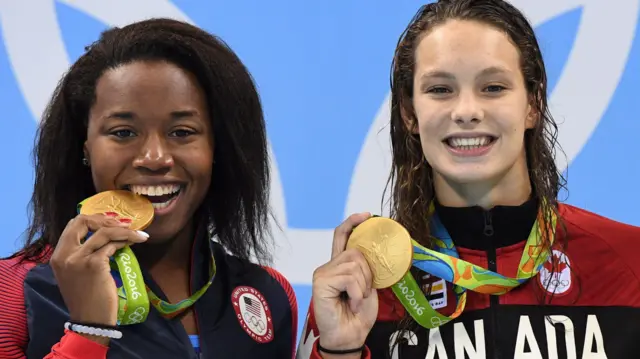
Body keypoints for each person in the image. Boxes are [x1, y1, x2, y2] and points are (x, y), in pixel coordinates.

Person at [297, 1, 640, 358]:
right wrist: (340, 349)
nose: (466, 112)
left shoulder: (631, 263)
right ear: (409, 113)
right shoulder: (363, 288)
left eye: (492, 87)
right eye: (440, 90)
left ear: (533, 104)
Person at [0, 18, 297, 359]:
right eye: (123, 132)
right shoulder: (12, 292)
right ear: (85, 148)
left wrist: (337, 350)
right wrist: (88, 333)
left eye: (182, 132)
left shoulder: (268, 294)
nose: (154, 158)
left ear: (217, 148)